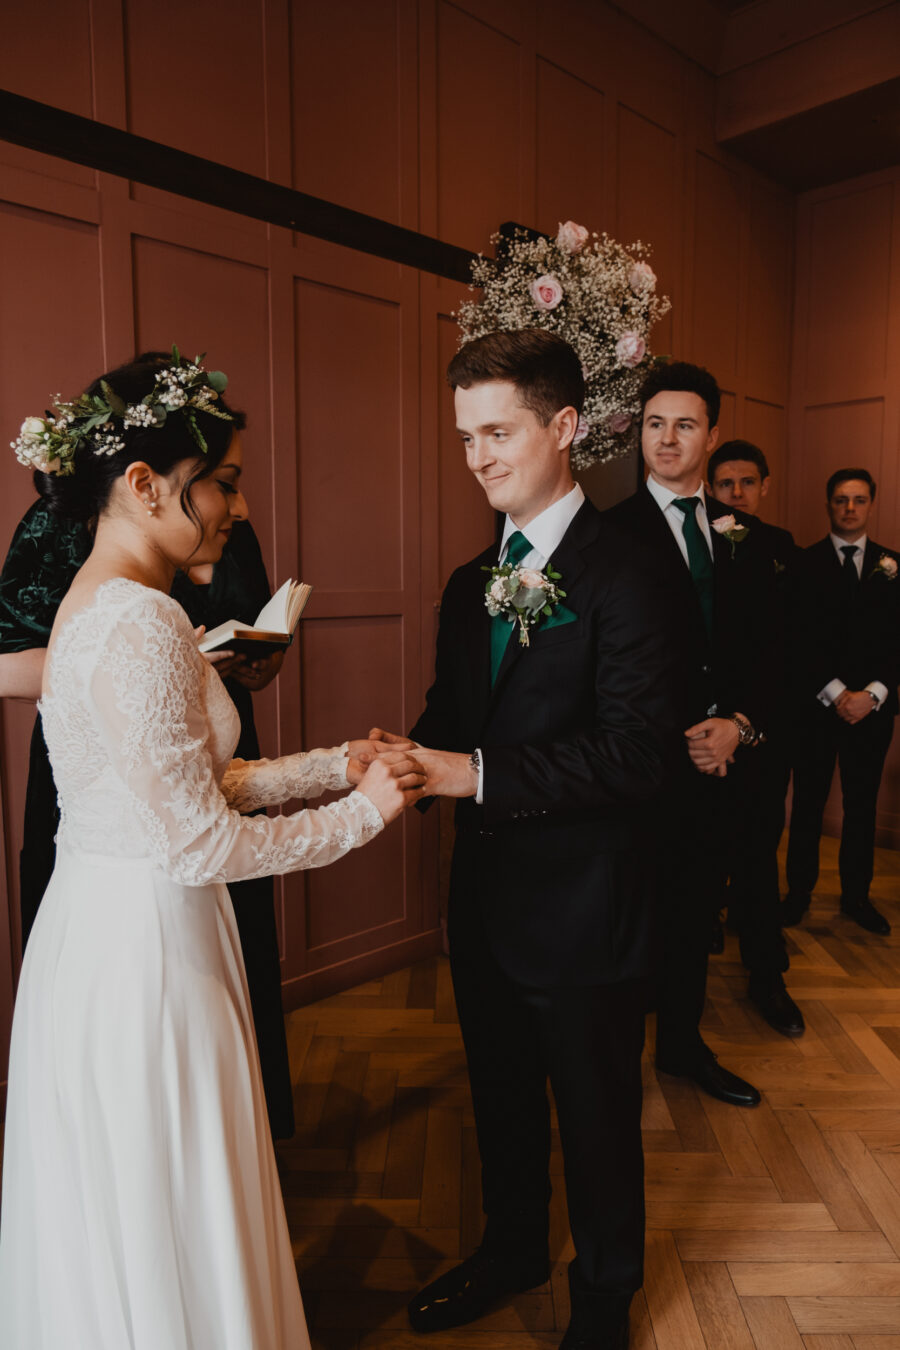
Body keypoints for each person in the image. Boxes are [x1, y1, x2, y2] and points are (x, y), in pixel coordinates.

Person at [0, 349, 426, 1350]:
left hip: (98, 930)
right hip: (149, 948)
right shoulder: (146, 621)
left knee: (138, 1198)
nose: (238, 507)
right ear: (145, 485)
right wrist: (365, 814)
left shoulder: (95, 607)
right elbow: (199, 843)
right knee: (176, 1183)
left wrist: (332, 764)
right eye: (224, 482)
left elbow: (196, 786)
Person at [374, 329, 680, 1350]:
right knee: (500, 1099)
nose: (479, 458)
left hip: (590, 910)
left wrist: (479, 775)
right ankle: (510, 1251)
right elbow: (451, 718)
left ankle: (603, 1299)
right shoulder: (471, 586)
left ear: (563, 427)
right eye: (465, 439)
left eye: (497, 432)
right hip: (490, 901)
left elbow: (641, 753)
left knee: (595, 1121)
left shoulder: (634, 572)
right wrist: (401, 759)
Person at [0, 475, 297, 1137]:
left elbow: (252, 620)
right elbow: (3, 662)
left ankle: (244, 1131)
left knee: (229, 961)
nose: (235, 501)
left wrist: (255, 661)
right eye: (221, 478)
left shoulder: (223, 521)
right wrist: (142, 663)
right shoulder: (60, 531)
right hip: (107, 771)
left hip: (211, 747)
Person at [604, 364, 781, 1107]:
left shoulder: (743, 535)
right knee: (623, 918)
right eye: (653, 423)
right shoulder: (606, 534)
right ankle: (608, 1071)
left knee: (693, 912)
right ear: (638, 433)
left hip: (719, 768)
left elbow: (773, 651)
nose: (667, 439)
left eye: (684, 425)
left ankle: (681, 1046)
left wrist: (738, 726)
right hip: (637, 768)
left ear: (711, 434)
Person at [706, 440, 803, 1037]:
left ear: (763, 486)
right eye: (725, 484)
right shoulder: (690, 546)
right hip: (696, 734)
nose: (736, 493)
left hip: (762, 730)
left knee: (760, 858)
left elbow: (788, 647)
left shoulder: (781, 548)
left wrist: (748, 723)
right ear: (711, 488)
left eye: (746, 483)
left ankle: (766, 974)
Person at [783, 468, 900, 936]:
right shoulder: (803, 564)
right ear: (828, 505)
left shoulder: (895, 566)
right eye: (840, 500)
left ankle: (856, 897)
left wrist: (872, 695)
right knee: (808, 804)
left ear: (871, 504)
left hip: (873, 711)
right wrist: (836, 694)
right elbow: (796, 643)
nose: (849, 508)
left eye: (858, 500)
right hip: (817, 710)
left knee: (862, 806)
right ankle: (797, 894)